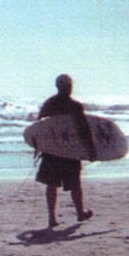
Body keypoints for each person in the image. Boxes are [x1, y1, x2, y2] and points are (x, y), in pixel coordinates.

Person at [36, 74, 97, 228]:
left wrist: (39, 147)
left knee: (52, 184)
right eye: (68, 85)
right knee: (75, 184)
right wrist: (91, 150)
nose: (69, 87)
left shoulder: (49, 104)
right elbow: (84, 130)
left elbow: (39, 127)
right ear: (68, 86)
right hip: (70, 151)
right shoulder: (74, 105)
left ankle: (51, 217)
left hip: (52, 151)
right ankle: (80, 213)